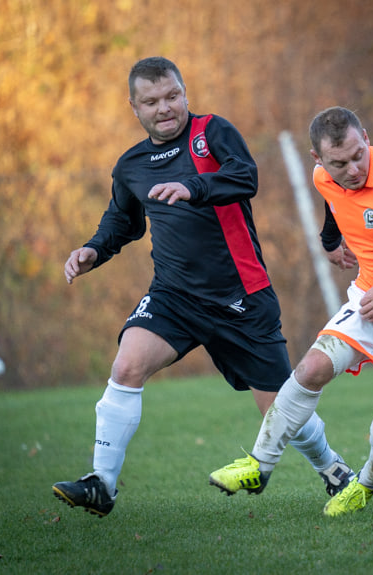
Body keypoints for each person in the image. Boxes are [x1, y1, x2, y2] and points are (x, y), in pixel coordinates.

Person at [52, 58, 353, 518]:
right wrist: (93, 250)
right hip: (174, 296)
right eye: (151, 101)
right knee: (127, 365)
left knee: (279, 407)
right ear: (134, 108)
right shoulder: (130, 165)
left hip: (242, 296)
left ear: (185, 93)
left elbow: (245, 176)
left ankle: (333, 469)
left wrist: (193, 187)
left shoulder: (212, 132)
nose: (165, 108)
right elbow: (122, 221)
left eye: (172, 96)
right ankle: (102, 484)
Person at [208, 106, 373, 516]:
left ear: (365, 136)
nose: (351, 169)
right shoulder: (323, 177)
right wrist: (330, 240)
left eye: (357, 155)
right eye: (338, 163)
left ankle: (364, 484)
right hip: (371, 296)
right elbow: (335, 202)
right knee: (310, 369)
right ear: (318, 160)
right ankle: (259, 464)